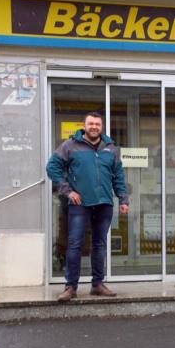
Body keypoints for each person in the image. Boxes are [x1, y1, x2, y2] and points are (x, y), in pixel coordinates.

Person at [46, 112, 129, 302]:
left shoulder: (111, 149)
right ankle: (70, 287)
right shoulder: (70, 146)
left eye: (97, 124)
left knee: (99, 245)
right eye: (90, 124)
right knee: (75, 244)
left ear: (101, 127)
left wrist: (123, 199)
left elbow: (118, 177)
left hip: (104, 203)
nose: (94, 127)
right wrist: (67, 191)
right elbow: (52, 167)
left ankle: (97, 284)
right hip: (79, 203)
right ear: (84, 126)